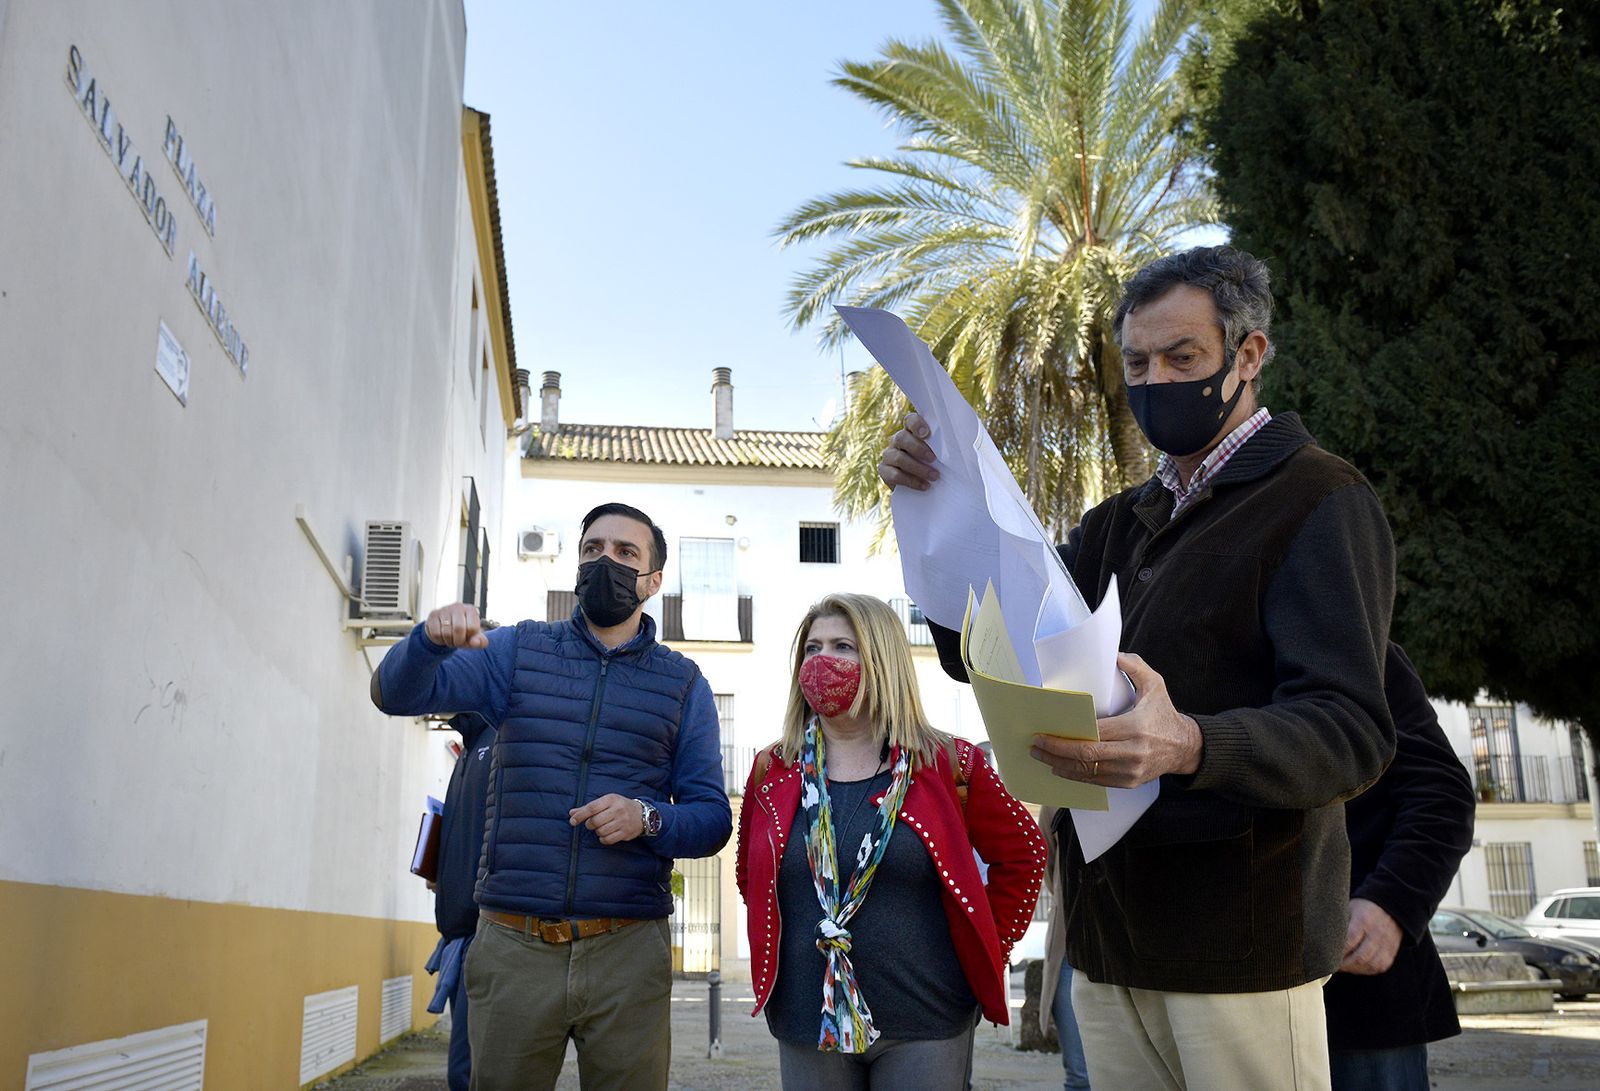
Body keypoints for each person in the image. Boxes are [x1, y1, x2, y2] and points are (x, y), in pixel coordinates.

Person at [880, 245, 1397, 1089]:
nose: (1155, 381)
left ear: (1248, 355)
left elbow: (1351, 731)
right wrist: (938, 506)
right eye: (1136, 363)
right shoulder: (1115, 524)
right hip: (1109, 943)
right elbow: (1001, 648)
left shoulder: (1320, 499)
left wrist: (1190, 742)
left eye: (1181, 358)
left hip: (1241, 951)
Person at [371, 501, 732, 1090]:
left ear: (653, 581)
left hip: (626, 952)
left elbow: (712, 819)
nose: (605, 562)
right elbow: (394, 693)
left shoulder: (683, 684)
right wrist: (427, 643)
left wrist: (647, 818)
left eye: (625, 553)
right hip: (513, 945)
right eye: (593, 549)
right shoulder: (517, 651)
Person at [735, 593, 1047, 1090]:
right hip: (806, 1017)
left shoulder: (948, 762)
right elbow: (751, 877)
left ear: (882, 661)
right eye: (812, 648)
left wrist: (989, 947)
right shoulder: (772, 769)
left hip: (927, 1019)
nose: (822, 661)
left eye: (843, 646)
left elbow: (1025, 854)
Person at [1325, 643, 1475, 1090]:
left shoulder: (1360, 645)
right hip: (1193, 983)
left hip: (1357, 994)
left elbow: (1441, 794)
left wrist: (1390, 904)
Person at [423, 712, 497, 1091]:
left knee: (470, 1073)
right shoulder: (469, 745)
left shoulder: (499, 738)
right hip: (456, 935)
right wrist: (440, 870)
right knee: (462, 1071)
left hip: (484, 936)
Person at [1035, 805, 1090, 1091]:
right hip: (1069, 942)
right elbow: (1047, 864)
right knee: (1080, 1074)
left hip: (1123, 945)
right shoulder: (1054, 801)